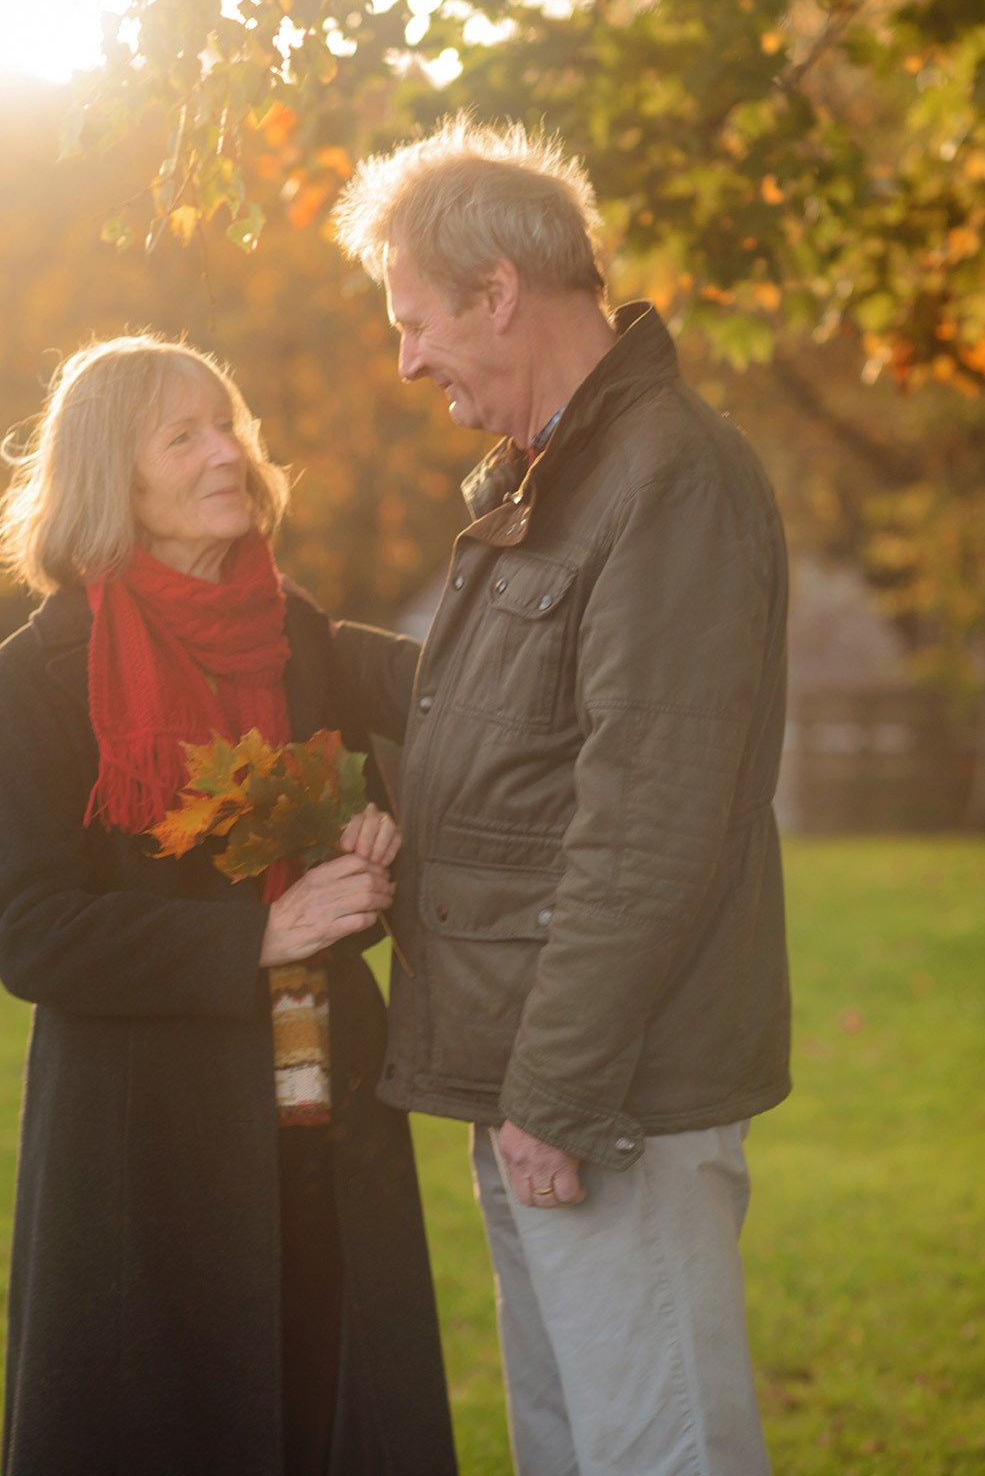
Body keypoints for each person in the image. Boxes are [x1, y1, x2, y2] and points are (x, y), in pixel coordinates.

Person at [330, 115, 790, 1476]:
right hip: (542, 1081)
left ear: (498, 293)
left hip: (604, 1095)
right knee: (575, 1448)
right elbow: (516, 729)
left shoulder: (666, 477)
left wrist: (556, 1092)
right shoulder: (564, 476)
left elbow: (651, 813)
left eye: (416, 321)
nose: (406, 359)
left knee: (658, 1453)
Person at [0, 333, 457, 1476]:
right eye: (181, 434)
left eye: (228, 423)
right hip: (147, 1136)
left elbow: (355, 836)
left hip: (322, 1108)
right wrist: (256, 936)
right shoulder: (33, 676)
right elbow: (29, 930)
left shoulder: (294, 632)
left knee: (332, 1409)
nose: (225, 452)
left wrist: (365, 847)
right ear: (111, 474)